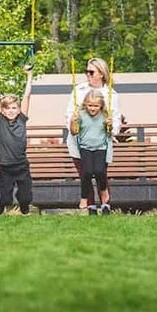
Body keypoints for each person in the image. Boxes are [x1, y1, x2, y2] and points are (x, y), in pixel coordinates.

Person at [65, 57, 121, 214]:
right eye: (86, 71)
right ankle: (90, 207)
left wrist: (111, 128)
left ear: (101, 74)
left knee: (100, 172)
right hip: (80, 143)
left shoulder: (111, 94)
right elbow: (69, 114)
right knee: (86, 173)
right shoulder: (79, 90)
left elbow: (116, 118)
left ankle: (106, 204)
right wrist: (73, 125)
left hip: (101, 142)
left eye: (91, 72)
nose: (87, 74)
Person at [0, 64, 33, 215]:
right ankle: (1, 204)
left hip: (21, 165)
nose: (11, 111)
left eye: (14, 108)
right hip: (6, 167)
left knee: (26, 197)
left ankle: (24, 204)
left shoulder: (22, 119)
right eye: (8, 108)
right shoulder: (0, 120)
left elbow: (26, 96)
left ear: (19, 109)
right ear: (2, 110)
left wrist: (29, 75)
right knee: (7, 198)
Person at [70, 89, 114, 215]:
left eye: (96, 106)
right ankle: (84, 197)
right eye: (90, 105)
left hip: (100, 147)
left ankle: (103, 189)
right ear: (85, 104)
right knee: (87, 173)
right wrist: (74, 122)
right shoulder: (81, 115)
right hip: (85, 147)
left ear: (101, 105)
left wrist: (110, 125)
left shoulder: (105, 116)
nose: (92, 108)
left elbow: (109, 132)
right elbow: (74, 132)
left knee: (100, 171)